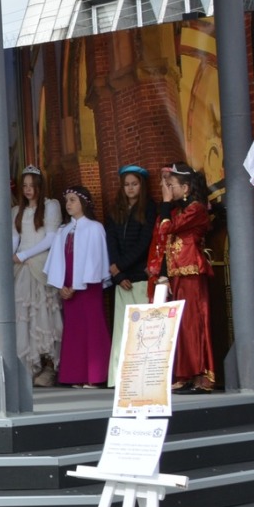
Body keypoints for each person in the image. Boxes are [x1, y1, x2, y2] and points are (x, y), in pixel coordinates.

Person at [149, 162, 216, 393]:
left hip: (191, 272)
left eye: (172, 185)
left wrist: (166, 202)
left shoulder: (196, 209)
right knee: (182, 325)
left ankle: (201, 375)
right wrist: (164, 275)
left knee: (194, 324)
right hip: (178, 274)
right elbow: (166, 239)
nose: (168, 189)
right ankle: (186, 374)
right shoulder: (181, 210)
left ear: (185, 188)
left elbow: (168, 228)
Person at [48, 185, 111, 388]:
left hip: (88, 288)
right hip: (68, 288)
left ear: (83, 202)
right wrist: (61, 286)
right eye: (67, 200)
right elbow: (56, 261)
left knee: (93, 328)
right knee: (74, 331)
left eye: (72, 200)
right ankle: (76, 375)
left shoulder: (95, 228)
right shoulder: (63, 231)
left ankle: (95, 375)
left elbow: (96, 261)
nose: (68, 204)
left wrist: (76, 285)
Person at [105, 165, 157, 387]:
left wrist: (119, 267)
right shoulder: (115, 210)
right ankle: (120, 377)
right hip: (122, 280)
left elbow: (145, 242)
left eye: (134, 184)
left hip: (140, 277)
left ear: (141, 185)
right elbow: (111, 242)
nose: (130, 188)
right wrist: (117, 274)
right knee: (122, 330)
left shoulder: (150, 208)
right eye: (126, 184)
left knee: (144, 330)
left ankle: (143, 376)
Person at [11, 166, 63, 388]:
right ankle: (29, 367)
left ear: (40, 187)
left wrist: (24, 255)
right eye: (25, 186)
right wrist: (11, 256)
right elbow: (15, 238)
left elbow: (50, 238)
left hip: (40, 263)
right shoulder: (17, 210)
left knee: (44, 315)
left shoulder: (51, 206)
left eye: (32, 186)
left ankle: (48, 366)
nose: (28, 190)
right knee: (25, 317)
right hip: (21, 267)